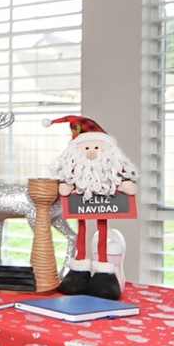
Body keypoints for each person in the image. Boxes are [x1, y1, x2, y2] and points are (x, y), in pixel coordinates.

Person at [51, 114, 137, 300]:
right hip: (80, 207)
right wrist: (66, 187)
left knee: (102, 229)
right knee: (81, 229)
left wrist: (124, 186)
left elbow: (124, 184)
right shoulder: (75, 174)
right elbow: (66, 187)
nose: (91, 153)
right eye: (87, 148)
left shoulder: (109, 174)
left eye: (96, 148)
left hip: (104, 207)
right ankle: (78, 269)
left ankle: (103, 271)